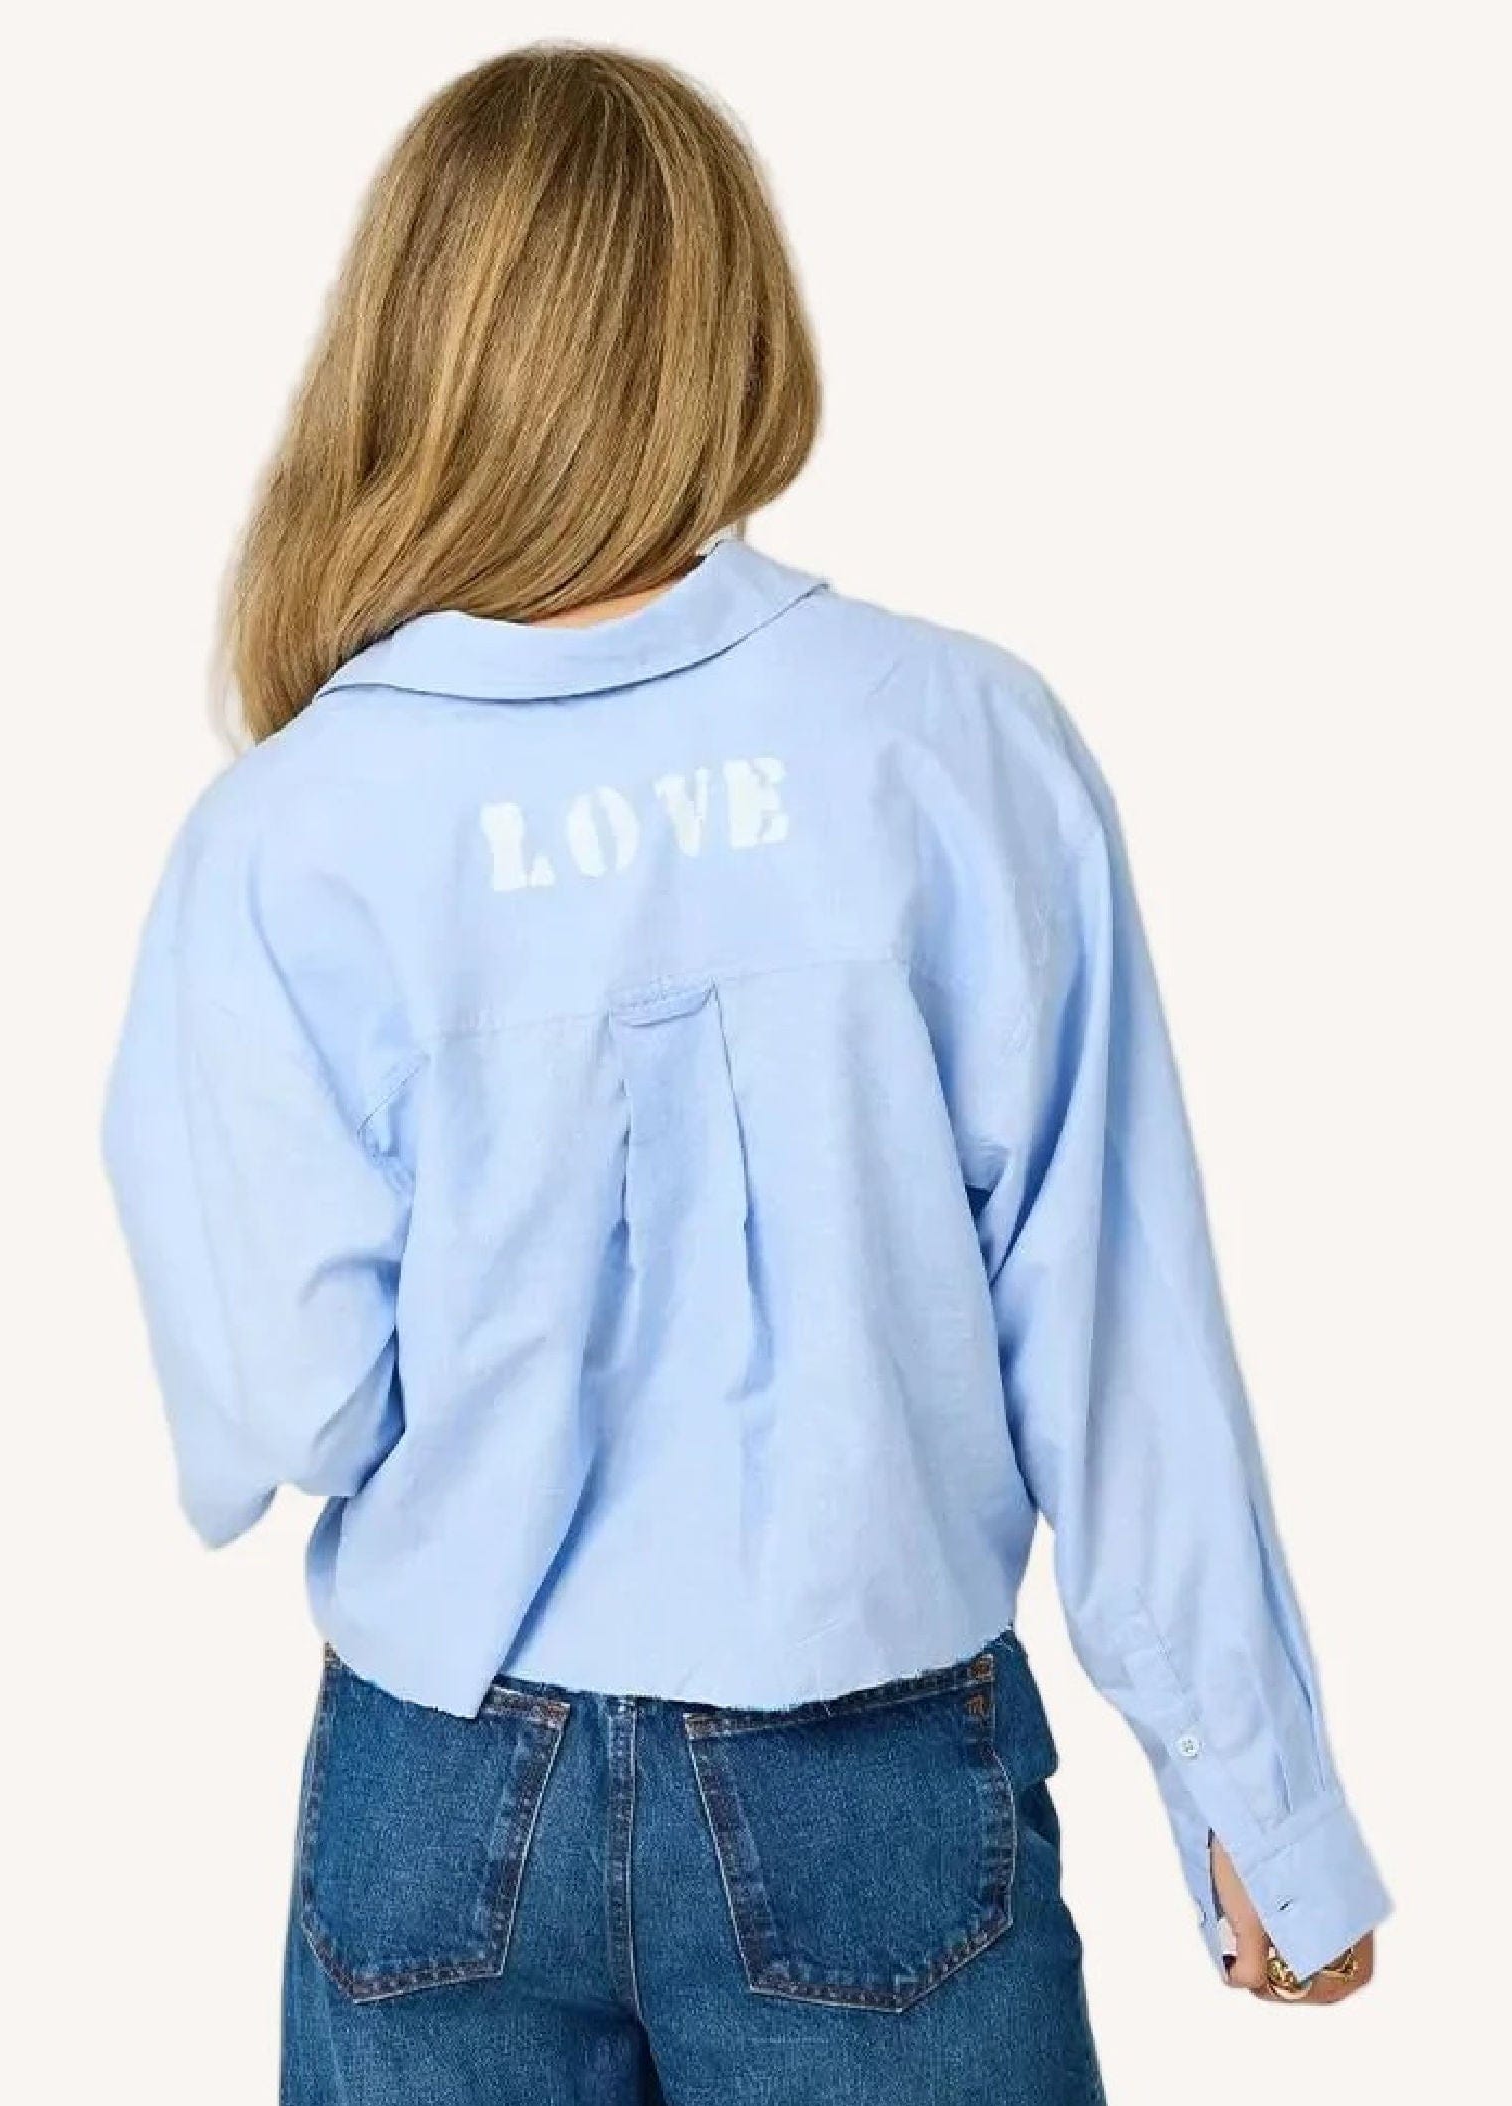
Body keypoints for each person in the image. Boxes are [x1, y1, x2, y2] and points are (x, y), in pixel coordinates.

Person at [101, 41, 1389, 2104]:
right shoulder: (946, 739)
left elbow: (294, 1411)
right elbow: (1112, 1330)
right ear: (731, 321)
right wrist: (1259, 1797)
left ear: (405, 342)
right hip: (869, 1788)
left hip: (440, 1801)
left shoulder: (292, 826)